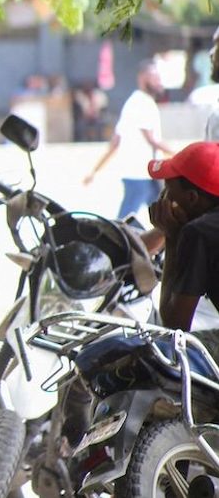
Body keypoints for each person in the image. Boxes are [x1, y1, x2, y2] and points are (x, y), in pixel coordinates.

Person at [147, 143, 219, 346]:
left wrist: (172, 237)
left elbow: (174, 325)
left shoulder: (198, 232)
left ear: (191, 198)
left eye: (168, 191)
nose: (162, 200)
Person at [84, 60, 174, 219]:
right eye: (154, 77)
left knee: (164, 219)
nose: (159, 82)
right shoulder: (141, 103)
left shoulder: (135, 102)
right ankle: (115, 242)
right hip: (138, 174)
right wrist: (179, 154)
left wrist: (94, 171)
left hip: (147, 175)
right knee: (126, 220)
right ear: (142, 78)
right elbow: (151, 140)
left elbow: (115, 143)